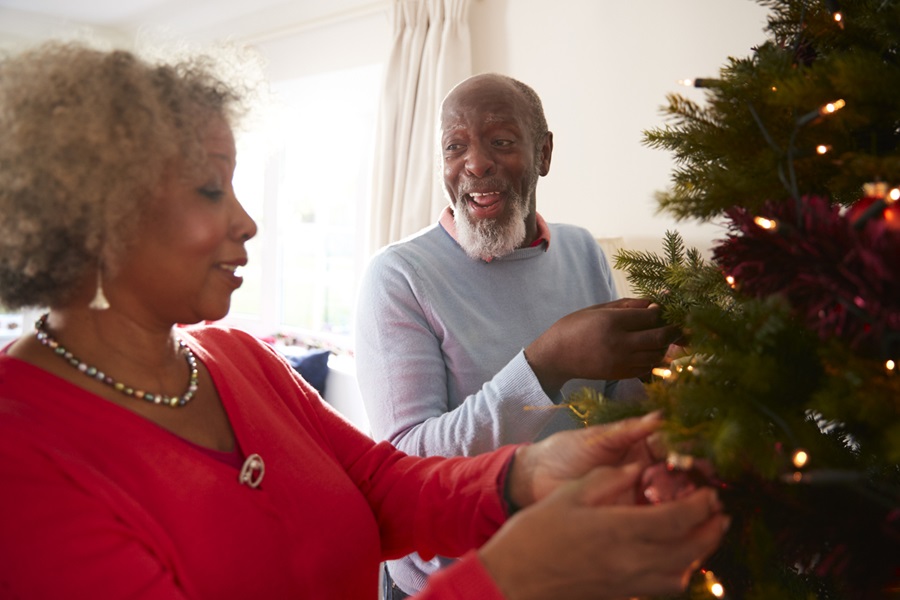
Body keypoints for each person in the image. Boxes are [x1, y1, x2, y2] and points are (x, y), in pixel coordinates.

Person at [0, 41, 727, 599]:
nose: (248, 221)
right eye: (209, 188)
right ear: (99, 215)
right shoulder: (20, 454)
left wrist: (528, 475)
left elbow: (380, 483)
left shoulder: (236, 358)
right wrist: (509, 577)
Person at [355, 72, 682, 596]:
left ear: (544, 154)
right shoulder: (400, 276)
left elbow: (616, 403)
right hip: (457, 583)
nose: (476, 163)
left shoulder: (581, 250)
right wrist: (546, 363)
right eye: (455, 146)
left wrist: (663, 370)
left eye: (501, 142)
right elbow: (406, 465)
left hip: (578, 564)